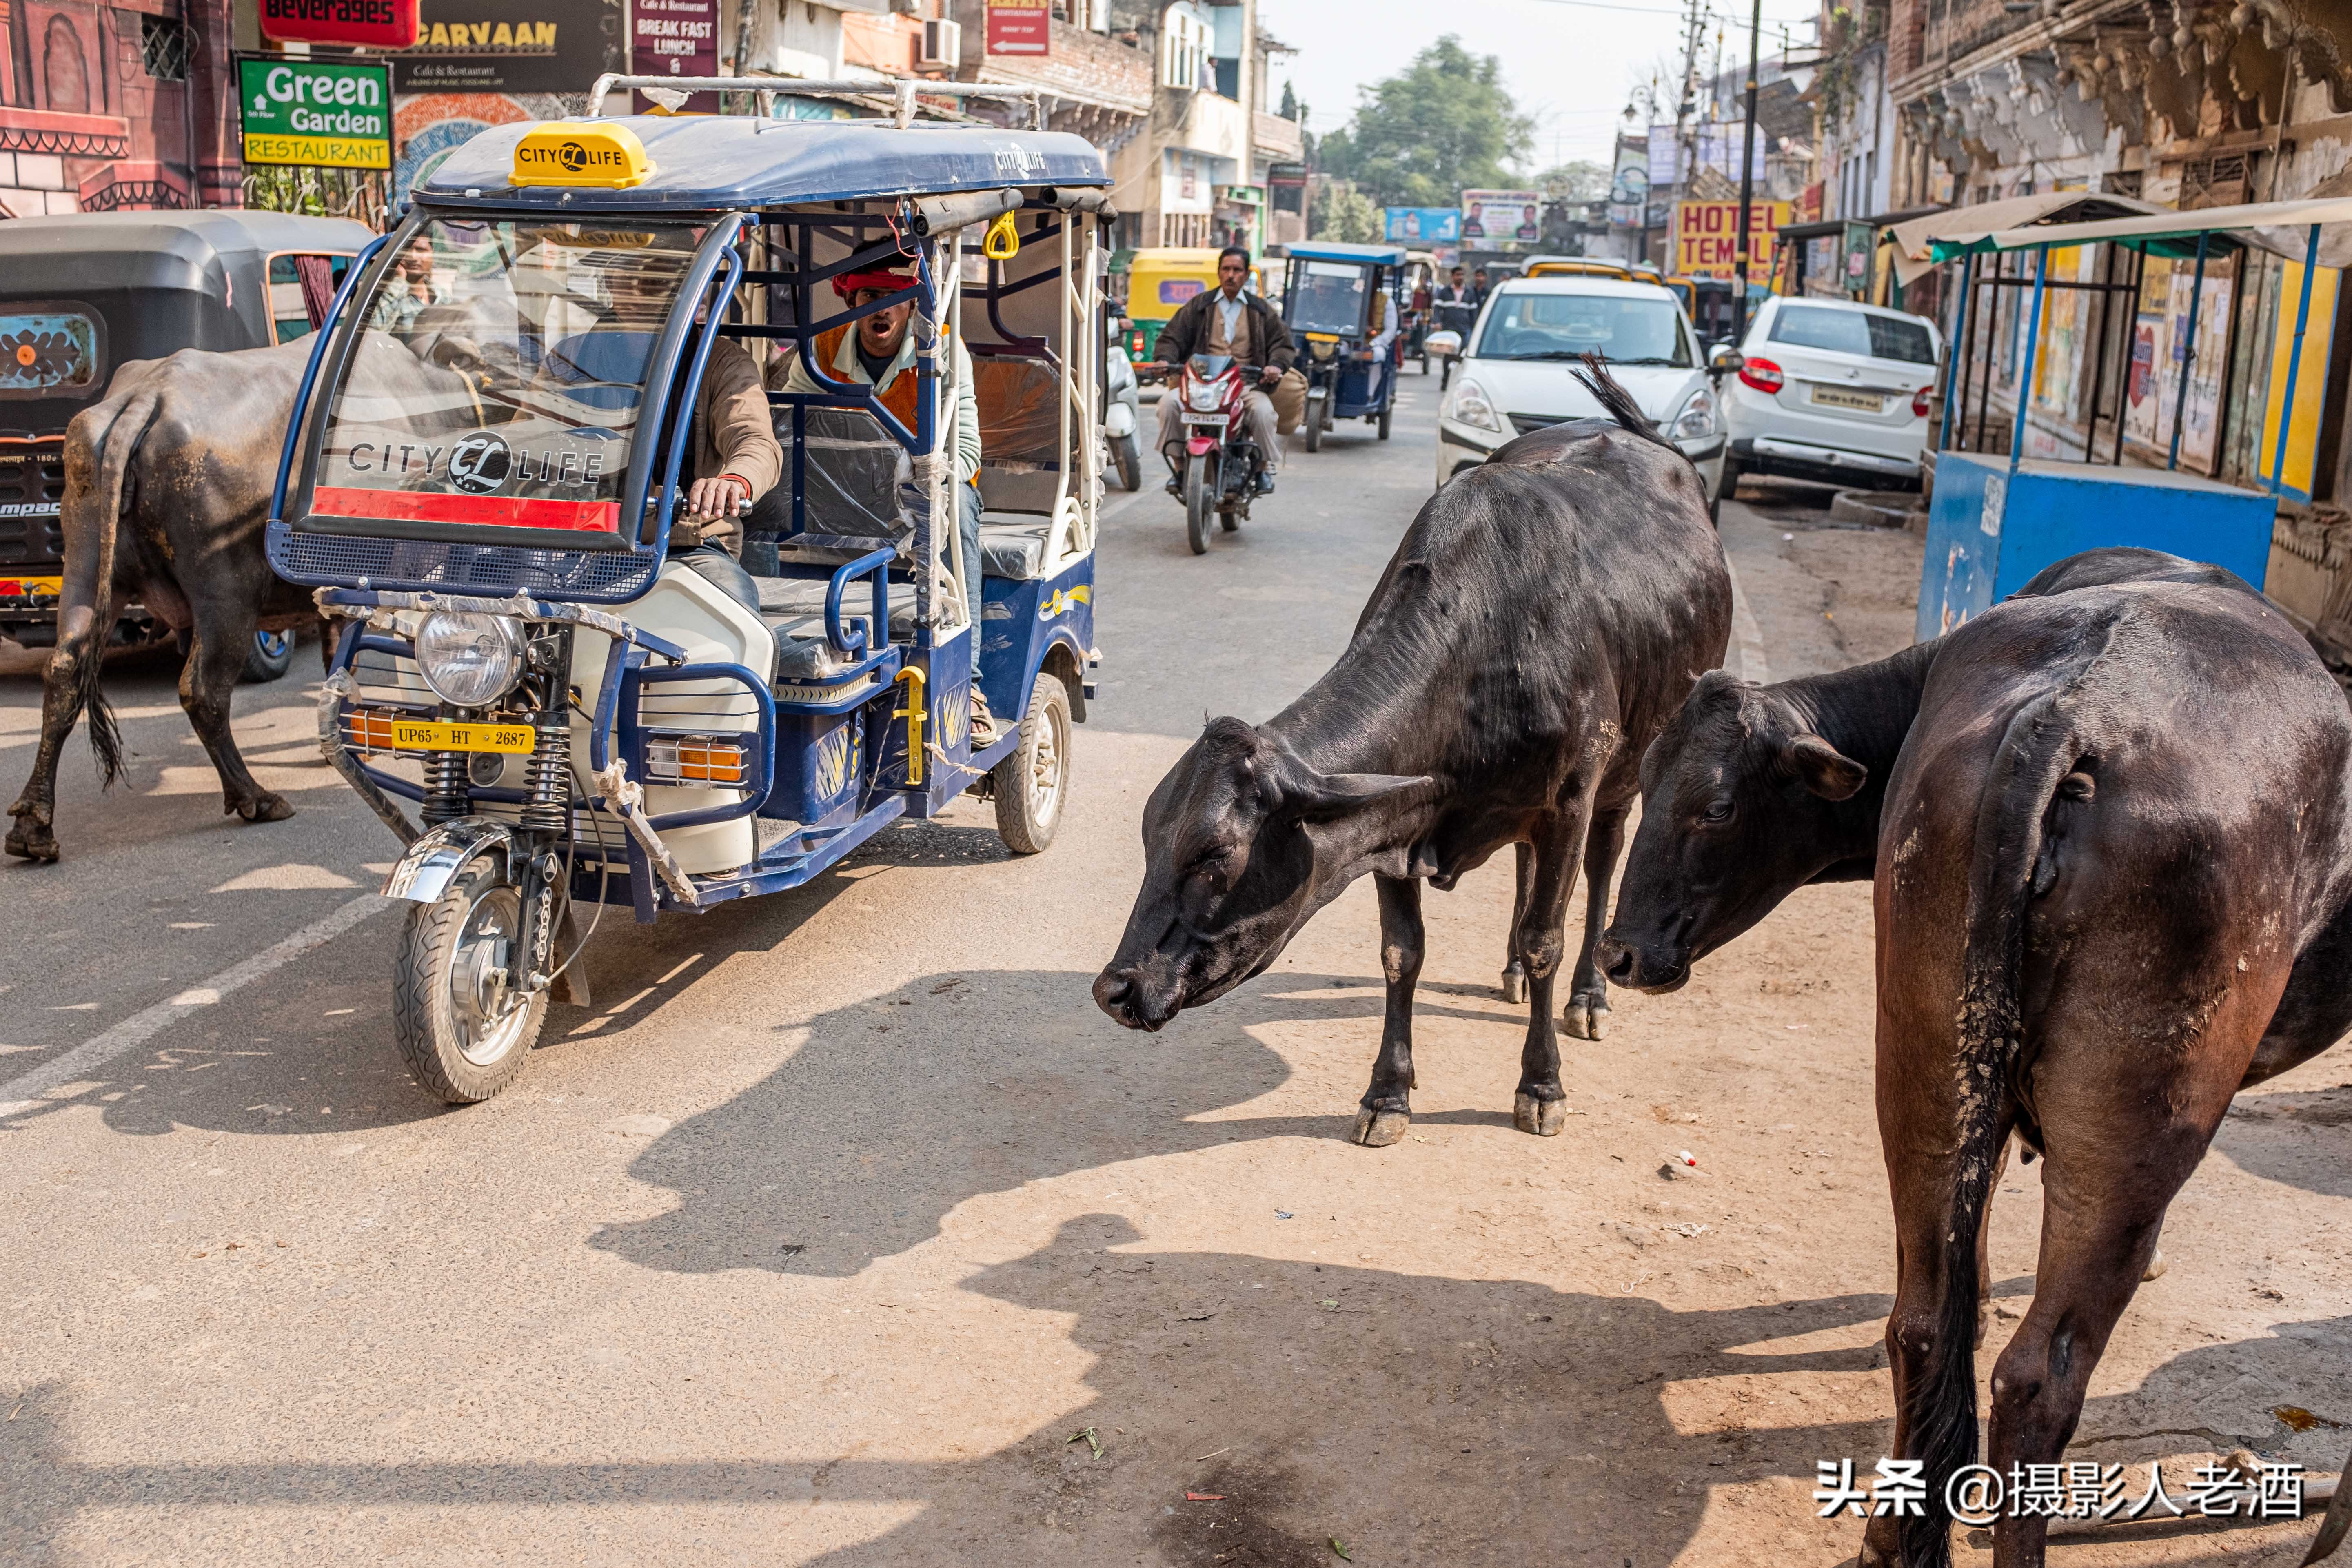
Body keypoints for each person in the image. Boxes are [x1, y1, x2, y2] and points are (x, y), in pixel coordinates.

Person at [772, 262, 990, 726]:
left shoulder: (944, 345)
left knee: (963, 507)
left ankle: (967, 687)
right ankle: (767, 650)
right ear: (851, 303)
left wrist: (921, 479)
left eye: (893, 298)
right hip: (841, 491)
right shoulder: (820, 350)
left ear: (911, 305)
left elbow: (967, 448)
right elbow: (791, 434)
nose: (881, 310)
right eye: (870, 295)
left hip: (922, 493)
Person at [1152, 245, 1295, 495]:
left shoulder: (1261, 311)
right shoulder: (1199, 306)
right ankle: (1181, 469)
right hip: (1200, 386)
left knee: (1263, 412)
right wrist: (1165, 359)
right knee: (1168, 405)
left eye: (1237, 270)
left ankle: (1261, 470)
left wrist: (1275, 365)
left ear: (1246, 273)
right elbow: (1172, 338)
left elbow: (1282, 344)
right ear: (1218, 272)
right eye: (1226, 269)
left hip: (1245, 386)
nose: (1231, 275)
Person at [369, 236, 444, 336]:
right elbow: (375, 331)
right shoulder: (386, 293)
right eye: (406, 251)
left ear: (432, 253)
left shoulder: (441, 296)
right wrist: (399, 281)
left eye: (421, 250)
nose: (413, 257)